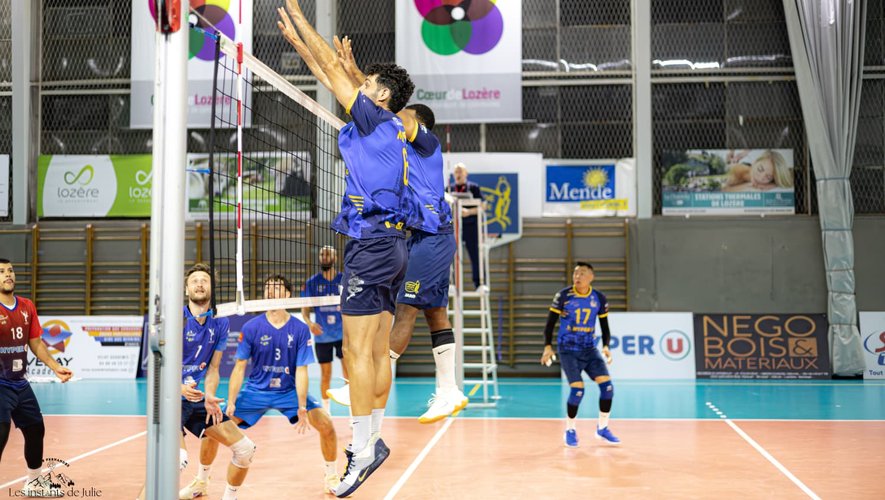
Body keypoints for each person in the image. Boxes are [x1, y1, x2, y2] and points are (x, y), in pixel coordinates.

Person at [277, 2, 413, 496]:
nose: (359, 84)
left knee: (357, 353)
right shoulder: (392, 127)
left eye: (368, 81)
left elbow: (336, 70)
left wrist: (299, 19)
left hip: (370, 244)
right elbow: (335, 73)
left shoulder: (376, 118)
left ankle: (358, 453)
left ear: (379, 95)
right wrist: (303, 52)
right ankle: (374, 438)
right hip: (393, 247)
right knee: (376, 351)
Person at [326, 38, 468, 424]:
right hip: (420, 236)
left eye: (405, 117)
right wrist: (358, 73)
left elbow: (393, 111)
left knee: (405, 307)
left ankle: (369, 377)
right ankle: (448, 389)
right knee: (435, 312)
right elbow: (379, 104)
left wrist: (365, 85)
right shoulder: (395, 138)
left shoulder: (424, 141)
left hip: (432, 233)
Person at [224, 274, 340, 493]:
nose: (271, 291)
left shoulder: (299, 329)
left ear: (287, 294)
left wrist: (303, 405)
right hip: (256, 390)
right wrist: (231, 401)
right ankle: (202, 478)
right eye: (268, 287)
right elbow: (239, 367)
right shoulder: (251, 327)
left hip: (288, 391)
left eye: (277, 287)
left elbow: (302, 370)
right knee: (214, 424)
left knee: (326, 425)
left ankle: (331, 477)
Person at [172, 263, 256, 500]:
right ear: (186, 289)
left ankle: (224, 494)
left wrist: (209, 394)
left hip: (196, 397)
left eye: (205, 280)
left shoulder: (220, 323)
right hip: (170, 398)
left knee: (245, 449)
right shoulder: (177, 318)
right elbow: (160, 364)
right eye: (194, 280)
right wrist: (177, 387)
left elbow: (214, 368)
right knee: (176, 461)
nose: (199, 283)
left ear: (213, 288)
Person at [0, 257, 73, 497]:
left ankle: (34, 483)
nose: (8, 275)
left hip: (20, 382)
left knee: (35, 428)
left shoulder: (26, 306)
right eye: (1, 272)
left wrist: (54, 366)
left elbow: (35, 343)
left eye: (10, 270)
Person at [540, 262, 620, 448]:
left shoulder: (598, 298)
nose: (578, 276)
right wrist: (547, 346)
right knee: (577, 390)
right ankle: (570, 430)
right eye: (575, 273)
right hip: (568, 349)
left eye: (582, 273)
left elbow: (605, 326)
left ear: (591, 277)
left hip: (589, 349)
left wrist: (606, 346)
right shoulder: (564, 296)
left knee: (607, 388)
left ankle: (602, 428)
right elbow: (550, 323)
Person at [301, 246, 346, 412]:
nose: (325, 257)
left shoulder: (343, 279)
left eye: (328, 254)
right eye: (322, 254)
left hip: (343, 334)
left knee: (349, 375)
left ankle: (354, 415)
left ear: (335, 257)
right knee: (325, 375)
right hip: (322, 336)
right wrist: (310, 323)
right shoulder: (312, 282)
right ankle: (326, 411)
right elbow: (304, 310)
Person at [447, 163, 484, 290]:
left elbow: (483, 206)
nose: (458, 174)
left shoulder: (474, 188)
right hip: (453, 226)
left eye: (460, 171)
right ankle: (451, 282)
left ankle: (479, 283)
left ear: (466, 173)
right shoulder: (449, 189)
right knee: (449, 254)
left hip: (471, 226)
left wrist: (468, 212)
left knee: (475, 254)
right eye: (456, 172)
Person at [723, 149, 793, 192]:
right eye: (760, 169)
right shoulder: (738, 171)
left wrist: (773, 185)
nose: (761, 177)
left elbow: (787, 178)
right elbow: (723, 190)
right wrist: (750, 185)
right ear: (755, 162)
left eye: (768, 177)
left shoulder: (772, 176)